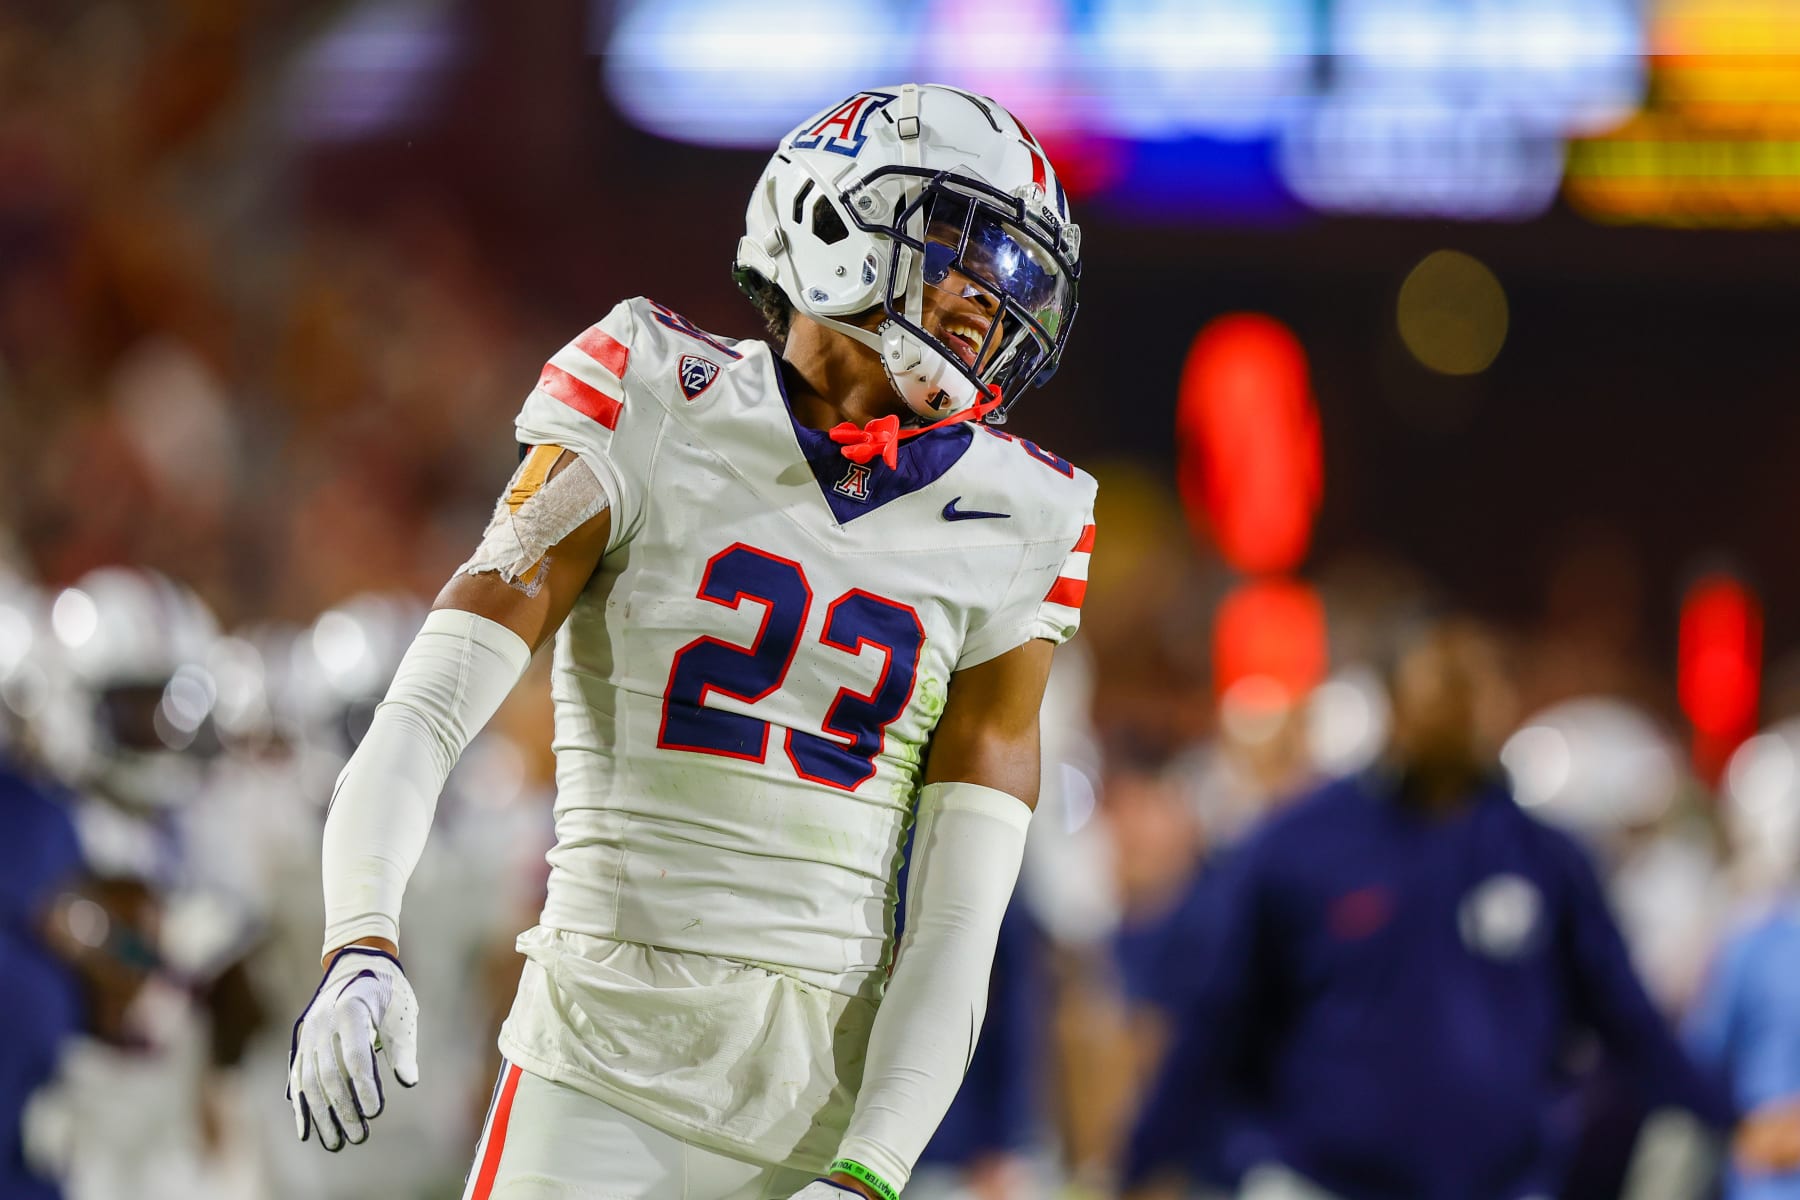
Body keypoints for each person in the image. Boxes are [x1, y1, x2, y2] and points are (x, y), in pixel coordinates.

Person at [287, 83, 1094, 1200]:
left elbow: (961, 915)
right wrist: (361, 935)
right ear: (833, 217)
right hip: (594, 1067)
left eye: (1012, 267)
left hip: (816, 1114)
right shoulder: (648, 391)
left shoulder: (1025, 517)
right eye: (962, 241)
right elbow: (428, 706)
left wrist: (872, 1170)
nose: (991, 294)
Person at [1121, 617, 1765, 1200]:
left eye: (1471, 687)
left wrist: (1729, 1120)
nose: (1454, 708)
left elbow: (1626, 1017)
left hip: (1501, 1185)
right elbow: (1217, 1020)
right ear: (1395, 703)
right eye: (1438, 686)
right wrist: (1145, 1161)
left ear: (1499, 704)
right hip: (1323, 1182)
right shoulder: (1299, 846)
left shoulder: (1544, 858)